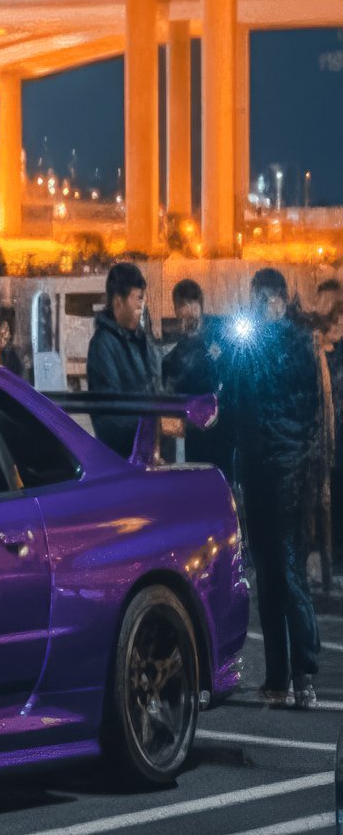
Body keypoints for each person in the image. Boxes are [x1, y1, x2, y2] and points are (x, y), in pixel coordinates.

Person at [234, 268, 324, 707]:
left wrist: (300, 465)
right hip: (257, 469)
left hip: (289, 473)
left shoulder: (298, 343)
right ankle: (276, 678)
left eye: (265, 300)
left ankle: (304, 673)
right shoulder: (252, 347)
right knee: (267, 577)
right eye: (255, 300)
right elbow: (235, 402)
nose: (259, 308)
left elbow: (309, 416)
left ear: (280, 301)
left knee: (288, 575)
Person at [85, 262, 160, 461]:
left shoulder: (140, 340)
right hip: (122, 460)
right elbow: (109, 415)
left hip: (144, 456)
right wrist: (146, 426)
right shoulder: (103, 346)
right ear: (118, 302)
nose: (140, 306)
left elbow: (155, 388)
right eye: (137, 299)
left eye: (142, 299)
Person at [163, 279, 232, 478]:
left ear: (200, 305)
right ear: (176, 310)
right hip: (197, 434)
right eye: (181, 306)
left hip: (225, 431)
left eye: (192, 303)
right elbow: (173, 389)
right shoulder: (177, 355)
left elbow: (233, 373)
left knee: (225, 483)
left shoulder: (221, 332)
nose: (188, 311)